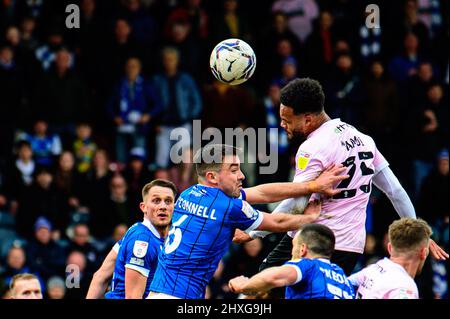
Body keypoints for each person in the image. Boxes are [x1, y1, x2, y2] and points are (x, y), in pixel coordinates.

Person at [239, 78, 447, 281]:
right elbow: (396, 191)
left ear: (308, 119)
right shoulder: (364, 140)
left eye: (287, 120)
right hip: (350, 248)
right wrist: (422, 234)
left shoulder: (313, 147)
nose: (283, 125)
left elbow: (296, 204)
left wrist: (256, 231)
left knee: (263, 286)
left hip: (313, 240)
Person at [148, 143, 348, 299]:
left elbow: (261, 192)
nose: (242, 175)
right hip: (180, 294)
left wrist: (311, 186)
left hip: (158, 290)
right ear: (212, 177)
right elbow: (276, 223)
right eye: (234, 170)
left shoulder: (188, 194)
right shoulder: (229, 207)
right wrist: (310, 218)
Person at [86, 179, 177, 299]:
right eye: (156, 201)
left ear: (174, 207)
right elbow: (132, 297)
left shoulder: (136, 229)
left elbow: (100, 276)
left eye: (168, 201)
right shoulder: (143, 241)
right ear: (143, 207)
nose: (163, 206)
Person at [229, 223, 355, 299]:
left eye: (293, 245)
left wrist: (243, 286)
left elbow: (273, 277)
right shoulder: (343, 279)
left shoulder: (308, 265)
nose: (291, 252)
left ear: (302, 249)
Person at [348, 218, 432, 299]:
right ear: (424, 253)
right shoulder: (405, 287)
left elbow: (340, 285)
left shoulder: (373, 269)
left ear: (389, 248)